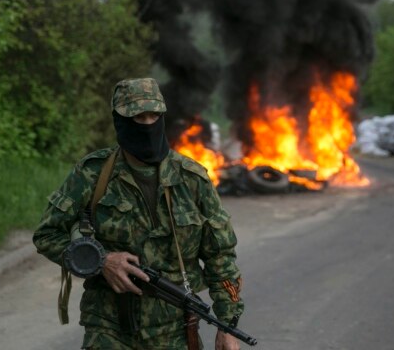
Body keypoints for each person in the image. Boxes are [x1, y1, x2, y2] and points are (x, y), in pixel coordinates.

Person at [33, 78, 244, 350]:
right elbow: (47, 235)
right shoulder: (92, 174)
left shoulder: (192, 179)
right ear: (119, 120)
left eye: (153, 115)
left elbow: (221, 257)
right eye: (137, 116)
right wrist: (103, 261)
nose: (147, 124)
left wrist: (229, 325)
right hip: (109, 329)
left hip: (176, 331)